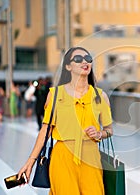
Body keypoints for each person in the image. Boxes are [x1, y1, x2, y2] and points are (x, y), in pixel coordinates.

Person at [18, 46, 113, 195]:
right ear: (68, 66)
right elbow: (45, 131)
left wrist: (99, 134)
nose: (84, 62)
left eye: (88, 59)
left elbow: (109, 130)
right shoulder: (55, 95)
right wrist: (30, 162)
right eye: (78, 59)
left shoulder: (100, 96)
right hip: (63, 158)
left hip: (91, 159)